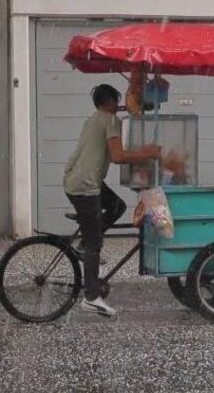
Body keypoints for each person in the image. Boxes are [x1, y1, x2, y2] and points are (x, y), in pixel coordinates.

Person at [63, 84, 160, 318]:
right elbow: (117, 156)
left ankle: (86, 242)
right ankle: (91, 297)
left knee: (117, 206)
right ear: (109, 102)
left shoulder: (94, 118)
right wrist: (146, 154)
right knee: (95, 243)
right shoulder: (111, 120)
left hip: (74, 179)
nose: (118, 105)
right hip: (86, 186)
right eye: (116, 101)